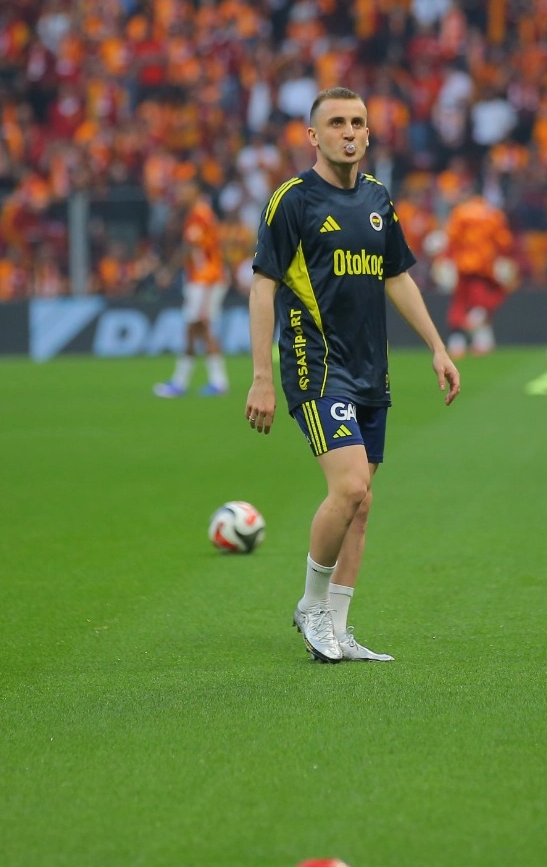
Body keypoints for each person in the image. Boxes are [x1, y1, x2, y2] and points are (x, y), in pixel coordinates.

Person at [245, 87, 460, 663]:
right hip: (316, 365)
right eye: (337, 122)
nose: (349, 132)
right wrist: (262, 376)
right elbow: (263, 287)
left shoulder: (377, 198)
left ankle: (338, 629)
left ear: (368, 133)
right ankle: (312, 606)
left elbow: (396, 276)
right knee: (350, 487)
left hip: (371, 368)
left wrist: (437, 347)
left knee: (362, 505)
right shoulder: (291, 201)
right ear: (313, 136)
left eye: (358, 122)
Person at [154, 179, 231, 398]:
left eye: (184, 190)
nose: (180, 195)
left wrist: (169, 272)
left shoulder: (199, 214)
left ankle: (192, 382)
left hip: (206, 279)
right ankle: (204, 381)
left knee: (199, 327)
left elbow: (189, 246)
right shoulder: (199, 213)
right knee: (197, 328)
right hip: (202, 279)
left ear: (196, 191)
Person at [443, 185, 516, 358]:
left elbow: (452, 238)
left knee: (460, 302)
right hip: (485, 266)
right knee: (484, 300)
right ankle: (478, 330)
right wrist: (502, 259)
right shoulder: (493, 214)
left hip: (463, 265)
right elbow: (504, 241)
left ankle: (457, 343)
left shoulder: (460, 212)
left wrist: (446, 258)